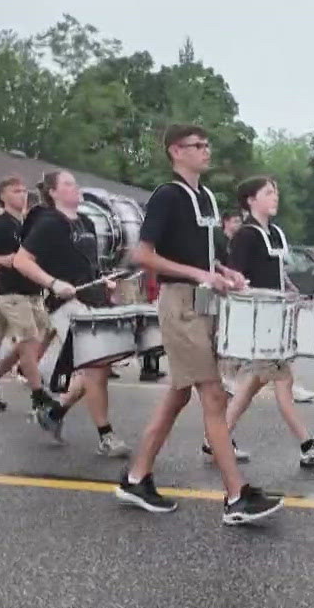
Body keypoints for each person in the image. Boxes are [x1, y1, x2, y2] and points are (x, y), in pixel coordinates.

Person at [117, 123, 282, 524]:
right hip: (179, 304)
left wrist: (223, 273)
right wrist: (198, 274)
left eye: (208, 144)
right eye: (197, 145)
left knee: (177, 395)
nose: (206, 151)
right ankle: (235, 496)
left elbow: (208, 258)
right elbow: (143, 255)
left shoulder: (205, 196)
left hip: (203, 303)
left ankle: (136, 477)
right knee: (213, 397)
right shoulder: (166, 196)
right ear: (176, 151)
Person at [220, 176, 314, 468]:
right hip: (261, 321)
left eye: (276, 192)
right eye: (268, 193)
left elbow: (277, 270)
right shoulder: (246, 235)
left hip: (276, 319)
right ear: (250, 200)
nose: (275, 197)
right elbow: (235, 278)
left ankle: (216, 440)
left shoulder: (273, 233)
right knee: (283, 380)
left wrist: (291, 290)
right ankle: (307, 446)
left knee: (253, 383)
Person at [16, 171, 131, 457]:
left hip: (93, 297)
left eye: (74, 183)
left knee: (102, 365)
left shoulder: (85, 221)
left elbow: (87, 263)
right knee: (96, 366)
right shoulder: (48, 223)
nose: (75, 187)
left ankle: (55, 412)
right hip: (65, 303)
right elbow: (21, 260)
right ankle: (106, 436)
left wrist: (104, 280)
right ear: (53, 192)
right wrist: (53, 283)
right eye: (68, 184)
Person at [0, 176, 63, 420]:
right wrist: (3, 260)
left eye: (24, 190)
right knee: (28, 341)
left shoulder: (26, 222)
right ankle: (38, 395)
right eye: (15, 191)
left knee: (36, 337)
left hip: (32, 290)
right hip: (11, 292)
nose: (22, 194)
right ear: (2, 196)